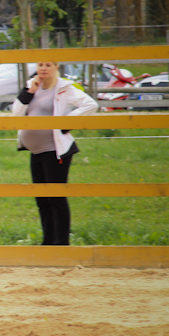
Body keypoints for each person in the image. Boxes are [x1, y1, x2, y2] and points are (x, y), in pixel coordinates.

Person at [12, 61, 98, 245]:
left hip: (55, 151)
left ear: (56, 67)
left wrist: (65, 122)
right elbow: (16, 114)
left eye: (48, 65)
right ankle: (48, 243)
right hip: (36, 151)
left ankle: (61, 244)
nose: (43, 68)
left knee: (56, 197)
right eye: (40, 64)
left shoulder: (64, 88)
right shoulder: (32, 85)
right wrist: (29, 91)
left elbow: (90, 105)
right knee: (42, 199)